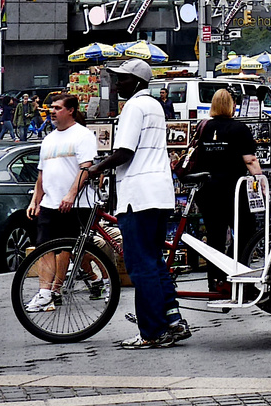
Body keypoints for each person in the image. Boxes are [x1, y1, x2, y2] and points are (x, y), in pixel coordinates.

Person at [86, 58, 185, 348]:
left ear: (138, 82)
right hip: (159, 193)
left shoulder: (134, 107)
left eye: (123, 79)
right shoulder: (155, 105)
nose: (118, 84)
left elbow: (125, 151)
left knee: (140, 265)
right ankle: (172, 319)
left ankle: (153, 332)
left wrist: (96, 168)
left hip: (138, 196)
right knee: (154, 261)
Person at [22, 95, 98, 312]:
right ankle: (45, 293)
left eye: (57, 108)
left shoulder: (82, 135)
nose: (52, 112)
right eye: (50, 108)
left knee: (65, 249)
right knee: (44, 246)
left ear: (71, 110)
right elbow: (41, 175)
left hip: (75, 204)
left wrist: (71, 195)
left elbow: (86, 168)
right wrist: (35, 200)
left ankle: (56, 289)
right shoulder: (49, 139)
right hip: (50, 202)